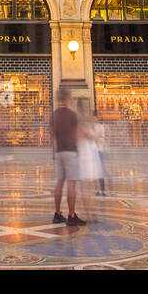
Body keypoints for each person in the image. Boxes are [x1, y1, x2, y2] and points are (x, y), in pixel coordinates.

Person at [51, 88, 84, 227]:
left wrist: (55, 150)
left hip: (59, 151)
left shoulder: (53, 115)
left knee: (59, 182)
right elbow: (77, 134)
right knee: (71, 183)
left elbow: (51, 134)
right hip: (70, 151)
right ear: (68, 98)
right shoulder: (72, 114)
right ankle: (71, 215)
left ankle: (57, 214)